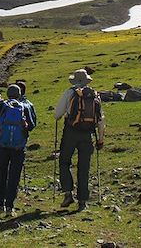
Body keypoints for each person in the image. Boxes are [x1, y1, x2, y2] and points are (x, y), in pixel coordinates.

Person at [54, 68, 105, 212]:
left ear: (74, 80)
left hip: (71, 131)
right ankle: (82, 201)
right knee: (84, 167)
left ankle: (68, 193)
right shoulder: (94, 95)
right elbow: (100, 119)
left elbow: (57, 114)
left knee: (64, 161)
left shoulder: (69, 93)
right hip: (88, 134)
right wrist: (100, 139)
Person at [0, 84, 35, 217]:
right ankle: (10, 205)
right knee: (14, 176)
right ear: (20, 94)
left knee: (2, 173)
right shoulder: (25, 106)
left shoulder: (1, 106)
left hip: (2, 145)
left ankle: (0, 203)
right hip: (18, 147)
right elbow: (32, 126)